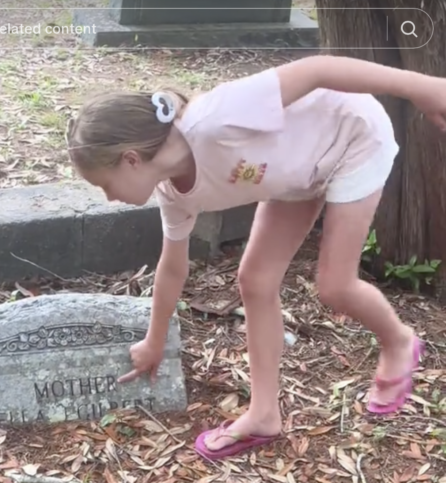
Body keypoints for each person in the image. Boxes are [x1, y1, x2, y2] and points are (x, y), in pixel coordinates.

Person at [65, 54, 446, 460]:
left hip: (351, 137)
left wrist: (422, 88)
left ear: (131, 159)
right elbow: (172, 268)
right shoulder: (173, 195)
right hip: (298, 175)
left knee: (336, 286)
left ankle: (399, 341)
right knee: (256, 281)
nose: (109, 197)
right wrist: (154, 341)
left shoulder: (215, 119)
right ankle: (265, 413)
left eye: (105, 185)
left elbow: (318, 70)